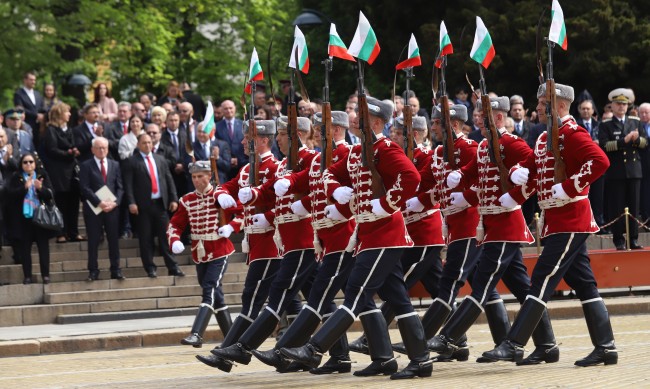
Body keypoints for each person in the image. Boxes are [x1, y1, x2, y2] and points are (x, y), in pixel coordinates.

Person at [279, 97, 429, 380]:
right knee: (398, 299)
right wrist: (336, 191)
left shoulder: (385, 148)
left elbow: (411, 177)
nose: (355, 119)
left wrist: (386, 203)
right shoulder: (359, 150)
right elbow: (327, 175)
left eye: (361, 116)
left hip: (385, 233)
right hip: (368, 234)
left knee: (356, 293)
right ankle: (417, 360)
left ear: (375, 122)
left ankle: (314, 349)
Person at [482, 82, 618, 367]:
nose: (539, 108)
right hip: (555, 219)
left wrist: (570, 187)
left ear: (558, 106)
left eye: (544, 103)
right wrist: (521, 172)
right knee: (583, 283)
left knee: (543, 277)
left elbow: (600, 161)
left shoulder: (571, 133)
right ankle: (605, 347)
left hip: (571, 218)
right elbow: (535, 165)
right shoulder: (546, 138)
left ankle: (514, 342)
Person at [432, 96, 558, 365]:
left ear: (498, 118)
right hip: (490, 224)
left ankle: (448, 337)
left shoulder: (511, 143)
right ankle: (547, 345)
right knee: (524, 290)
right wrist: (463, 183)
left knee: (482, 282)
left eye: (482, 115)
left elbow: (534, 168)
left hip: (505, 224)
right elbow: (475, 171)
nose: (476, 119)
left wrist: (517, 191)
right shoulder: (486, 146)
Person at [208, 115, 319, 373]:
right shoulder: (260, 168)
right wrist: (237, 195)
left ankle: (242, 349)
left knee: (272, 296)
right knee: (314, 299)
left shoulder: (302, 160)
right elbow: (265, 190)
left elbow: (316, 187)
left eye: (282, 134)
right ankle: (309, 355)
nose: (245, 141)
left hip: (291, 239)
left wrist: (268, 214)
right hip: (283, 240)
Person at [251, 111, 356, 374]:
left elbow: (357, 189)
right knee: (337, 298)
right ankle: (342, 356)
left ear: (336, 130)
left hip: (343, 233)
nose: (318, 134)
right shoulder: (318, 158)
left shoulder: (344, 153)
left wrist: (325, 209)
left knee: (325, 296)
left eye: (323, 129)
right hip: (326, 235)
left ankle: (285, 351)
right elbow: (313, 186)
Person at [350, 115, 444, 356]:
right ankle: (455, 340)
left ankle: (372, 341)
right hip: (407, 230)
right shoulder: (397, 155)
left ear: (418, 134)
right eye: (395, 132)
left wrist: (415, 201)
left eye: (401, 133)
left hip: (424, 230)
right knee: (436, 288)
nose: (396, 136)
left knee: (399, 288)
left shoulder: (426, 157)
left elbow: (429, 186)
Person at [197, 119, 282, 371]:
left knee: (252, 297)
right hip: (254, 242)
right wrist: (221, 194)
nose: (243, 142)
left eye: (249, 138)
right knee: (289, 301)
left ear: (264, 140)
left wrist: (265, 216)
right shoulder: (247, 169)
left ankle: (228, 352)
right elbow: (228, 186)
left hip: (271, 243)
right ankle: (290, 351)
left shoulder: (275, 167)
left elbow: (284, 203)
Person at [167, 160, 236, 348]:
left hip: (220, 249)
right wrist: (174, 240)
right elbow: (175, 224)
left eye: (200, 176)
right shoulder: (187, 200)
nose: (197, 180)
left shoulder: (220, 195)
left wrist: (231, 226)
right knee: (216, 296)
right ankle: (231, 340)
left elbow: (242, 214)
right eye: (194, 177)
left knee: (209, 288)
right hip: (200, 252)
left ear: (209, 176)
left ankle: (196, 333)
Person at [123, 133, 184, 278]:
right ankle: (150, 267)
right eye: (144, 143)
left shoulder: (160, 159)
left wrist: (174, 199)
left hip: (160, 204)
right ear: (138, 145)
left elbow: (169, 180)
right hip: (143, 206)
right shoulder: (132, 161)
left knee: (166, 237)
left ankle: (173, 267)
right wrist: (131, 202)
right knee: (146, 238)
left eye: (149, 142)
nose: (147, 145)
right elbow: (128, 185)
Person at [599, 88, 648, 249]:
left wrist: (635, 139)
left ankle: (633, 239)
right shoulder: (606, 124)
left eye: (624, 104)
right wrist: (623, 141)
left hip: (634, 170)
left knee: (634, 207)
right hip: (616, 172)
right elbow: (605, 146)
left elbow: (645, 143)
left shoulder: (635, 122)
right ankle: (619, 239)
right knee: (617, 207)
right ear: (612, 106)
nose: (621, 107)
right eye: (618, 104)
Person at [79, 137, 124, 281]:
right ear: (92, 150)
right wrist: (99, 202)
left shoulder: (115, 164)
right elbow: (84, 187)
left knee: (113, 240)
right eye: (98, 147)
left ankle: (115, 269)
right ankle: (93, 270)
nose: (101, 150)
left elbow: (120, 187)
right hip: (94, 208)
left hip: (112, 208)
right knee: (93, 240)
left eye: (104, 147)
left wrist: (115, 203)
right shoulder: (86, 165)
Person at [6, 153, 54, 284]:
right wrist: (24, 188)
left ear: (35, 163)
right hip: (24, 219)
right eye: (25, 162)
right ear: (21, 164)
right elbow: (10, 195)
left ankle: (46, 275)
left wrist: (40, 188)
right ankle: (27, 275)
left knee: (43, 248)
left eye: (31, 162)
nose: (28, 165)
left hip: (40, 217)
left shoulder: (42, 175)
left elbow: (50, 194)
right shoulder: (16, 177)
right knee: (25, 249)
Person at [42, 103, 83, 244]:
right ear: (59, 114)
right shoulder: (51, 130)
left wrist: (74, 151)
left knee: (73, 202)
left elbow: (72, 146)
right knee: (60, 203)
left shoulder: (69, 130)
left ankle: (73, 232)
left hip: (71, 172)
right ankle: (61, 233)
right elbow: (51, 150)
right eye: (67, 112)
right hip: (58, 173)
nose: (70, 114)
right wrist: (68, 153)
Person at [576, 99, 607, 231]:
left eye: (588, 108)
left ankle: (599, 223)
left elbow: (606, 143)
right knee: (583, 197)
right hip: (581, 166)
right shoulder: (575, 125)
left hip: (597, 166)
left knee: (598, 197)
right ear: (579, 110)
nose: (586, 111)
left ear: (593, 110)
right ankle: (585, 224)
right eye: (583, 108)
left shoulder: (600, 125)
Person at [215, 100, 246, 181]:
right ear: (221, 110)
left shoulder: (244, 125)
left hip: (242, 165)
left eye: (230, 108)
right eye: (225, 108)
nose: (228, 110)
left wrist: (238, 160)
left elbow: (246, 143)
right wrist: (228, 160)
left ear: (235, 108)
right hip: (224, 167)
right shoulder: (217, 127)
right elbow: (217, 145)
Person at [161, 111, 189, 196]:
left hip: (184, 174)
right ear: (166, 121)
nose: (173, 123)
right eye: (171, 120)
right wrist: (173, 166)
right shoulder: (161, 136)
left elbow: (189, 152)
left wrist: (183, 165)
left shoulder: (186, 135)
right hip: (169, 173)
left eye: (176, 120)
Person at [13, 71, 44, 136]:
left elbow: (41, 107)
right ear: (25, 80)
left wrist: (42, 115)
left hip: (39, 126)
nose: (33, 82)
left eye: (34, 80)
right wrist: (36, 115)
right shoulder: (19, 94)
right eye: (31, 80)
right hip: (26, 125)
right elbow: (20, 109)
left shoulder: (37, 94)